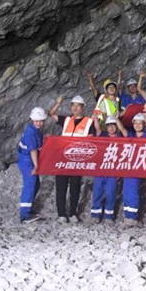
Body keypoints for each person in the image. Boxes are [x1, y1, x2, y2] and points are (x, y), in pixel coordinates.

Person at [48, 94, 93, 223]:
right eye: (73, 105)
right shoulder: (66, 120)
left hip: (77, 160)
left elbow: (93, 139)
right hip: (63, 159)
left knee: (75, 187)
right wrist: (58, 103)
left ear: (83, 108)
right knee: (61, 187)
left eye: (78, 106)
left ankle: (73, 213)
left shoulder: (88, 122)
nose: (75, 108)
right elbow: (51, 114)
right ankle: (61, 214)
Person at [115, 113, 146, 227]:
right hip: (129, 167)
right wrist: (116, 119)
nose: (138, 125)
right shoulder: (131, 135)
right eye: (136, 123)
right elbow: (122, 129)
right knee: (126, 191)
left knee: (133, 191)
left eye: (140, 123)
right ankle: (127, 216)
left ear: (144, 124)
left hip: (138, 168)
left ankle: (133, 217)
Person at [18, 107, 46, 223]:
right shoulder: (30, 133)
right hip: (27, 160)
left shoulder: (35, 130)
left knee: (36, 185)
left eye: (41, 121)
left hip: (27, 159)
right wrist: (36, 166)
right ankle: (24, 215)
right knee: (30, 185)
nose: (39, 123)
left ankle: (28, 209)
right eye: (36, 121)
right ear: (31, 120)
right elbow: (33, 150)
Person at [91, 116, 120, 223]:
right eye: (109, 125)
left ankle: (108, 215)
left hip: (112, 171)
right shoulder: (102, 135)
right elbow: (98, 129)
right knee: (97, 191)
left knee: (110, 192)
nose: (111, 128)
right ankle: (95, 214)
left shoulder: (121, 139)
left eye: (113, 125)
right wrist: (95, 120)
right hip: (100, 169)